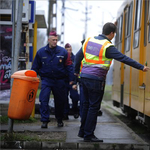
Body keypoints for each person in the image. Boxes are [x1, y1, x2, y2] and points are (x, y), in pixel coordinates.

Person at [73, 22, 150, 142]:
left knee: (85, 105)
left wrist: (76, 72)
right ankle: (88, 135)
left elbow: (78, 57)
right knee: (93, 107)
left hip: (84, 78)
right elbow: (123, 58)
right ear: (112, 34)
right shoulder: (107, 46)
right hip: (96, 80)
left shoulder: (89, 41)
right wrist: (141, 67)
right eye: (114, 34)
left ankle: (82, 132)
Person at [31, 31, 73, 128]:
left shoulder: (63, 52)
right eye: (53, 40)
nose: (55, 42)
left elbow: (69, 66)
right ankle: (44, 120)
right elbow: (35, 67)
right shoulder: (41, 52)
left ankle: (59, 119)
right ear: (49, 40)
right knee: (44, 99)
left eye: (56, 40)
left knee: (59, 101)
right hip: (46, 80)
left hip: (59, 80)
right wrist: (32, 77)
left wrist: (71, 79)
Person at [63, 43, 79, 120]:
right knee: (64, 98)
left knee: (75, 96)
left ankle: (75, 110)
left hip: (73, 81)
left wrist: (75, 81)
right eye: (67, 50)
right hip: (64, 81)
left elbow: (77, 70)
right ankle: (65, 113)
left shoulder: (75, 58)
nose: (69, 52)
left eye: (70, 50)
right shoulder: (62, 58)